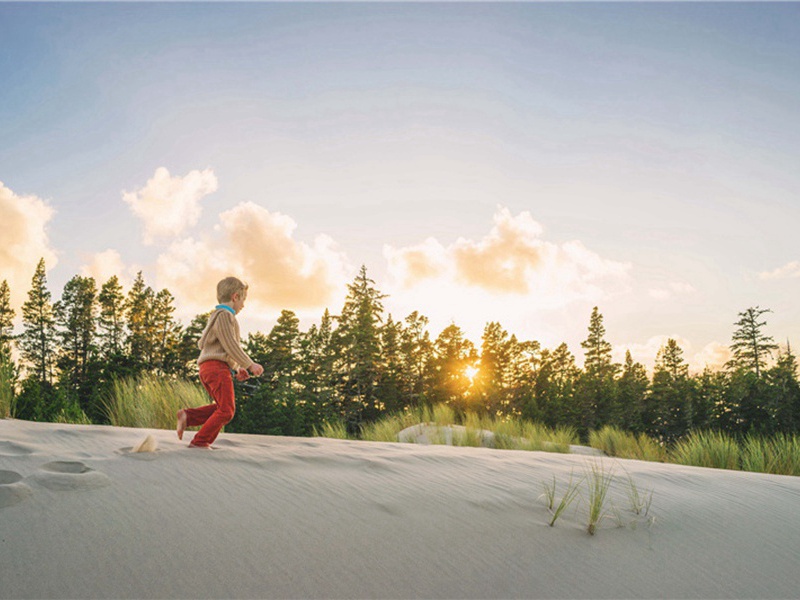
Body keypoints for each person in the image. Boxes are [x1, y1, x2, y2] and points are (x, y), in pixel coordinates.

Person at [177, 276, 264, 448]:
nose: (243, 305)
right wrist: (249, 364)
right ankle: (200, 442)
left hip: (210, 368)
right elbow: (230, 344)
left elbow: (223, 347)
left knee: (221, 408)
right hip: (216, 369)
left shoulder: (217, 316)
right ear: (235, 297)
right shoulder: (225, 316)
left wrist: (237, 368)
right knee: (227, 411)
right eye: (243, 300)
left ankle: (188, 417)